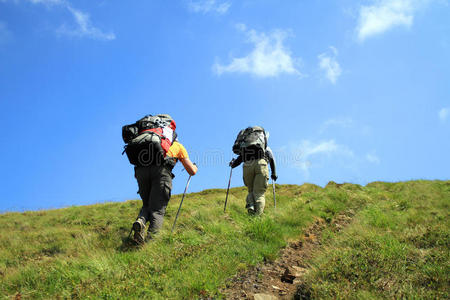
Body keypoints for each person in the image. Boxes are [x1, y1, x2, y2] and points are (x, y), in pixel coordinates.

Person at [130, 122, 197, 244]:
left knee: (146, 205)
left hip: (141, 172)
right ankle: (151, 244)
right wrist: (195, 167)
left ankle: (141, 221)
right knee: (157, 210)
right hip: (161, 172)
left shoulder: (147, 142)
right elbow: (191, 171)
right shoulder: (178, 146)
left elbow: (136, 173)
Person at [229, 126, 277, 215]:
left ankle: (251, 206)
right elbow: (271, 158)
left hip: (247, 166)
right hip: (260, 164)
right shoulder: (264, 147)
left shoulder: (245, 146)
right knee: (259, 193)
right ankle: (257, 217)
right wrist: (274, 173)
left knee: (251, 191)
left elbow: (239, 160)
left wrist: (233, 164)